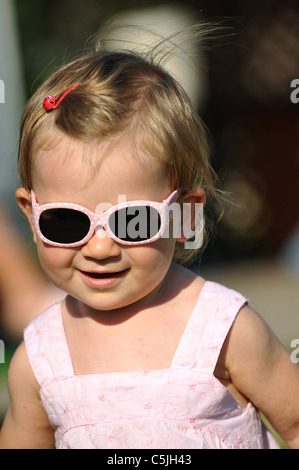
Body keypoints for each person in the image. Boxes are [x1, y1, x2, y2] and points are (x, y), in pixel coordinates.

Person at [0, 30, 299, 449]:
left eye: (132, 221)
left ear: (184, 214)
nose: (100, 248)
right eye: (66, 223)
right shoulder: (41, 358)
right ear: (31, 216)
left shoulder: (221, 330)